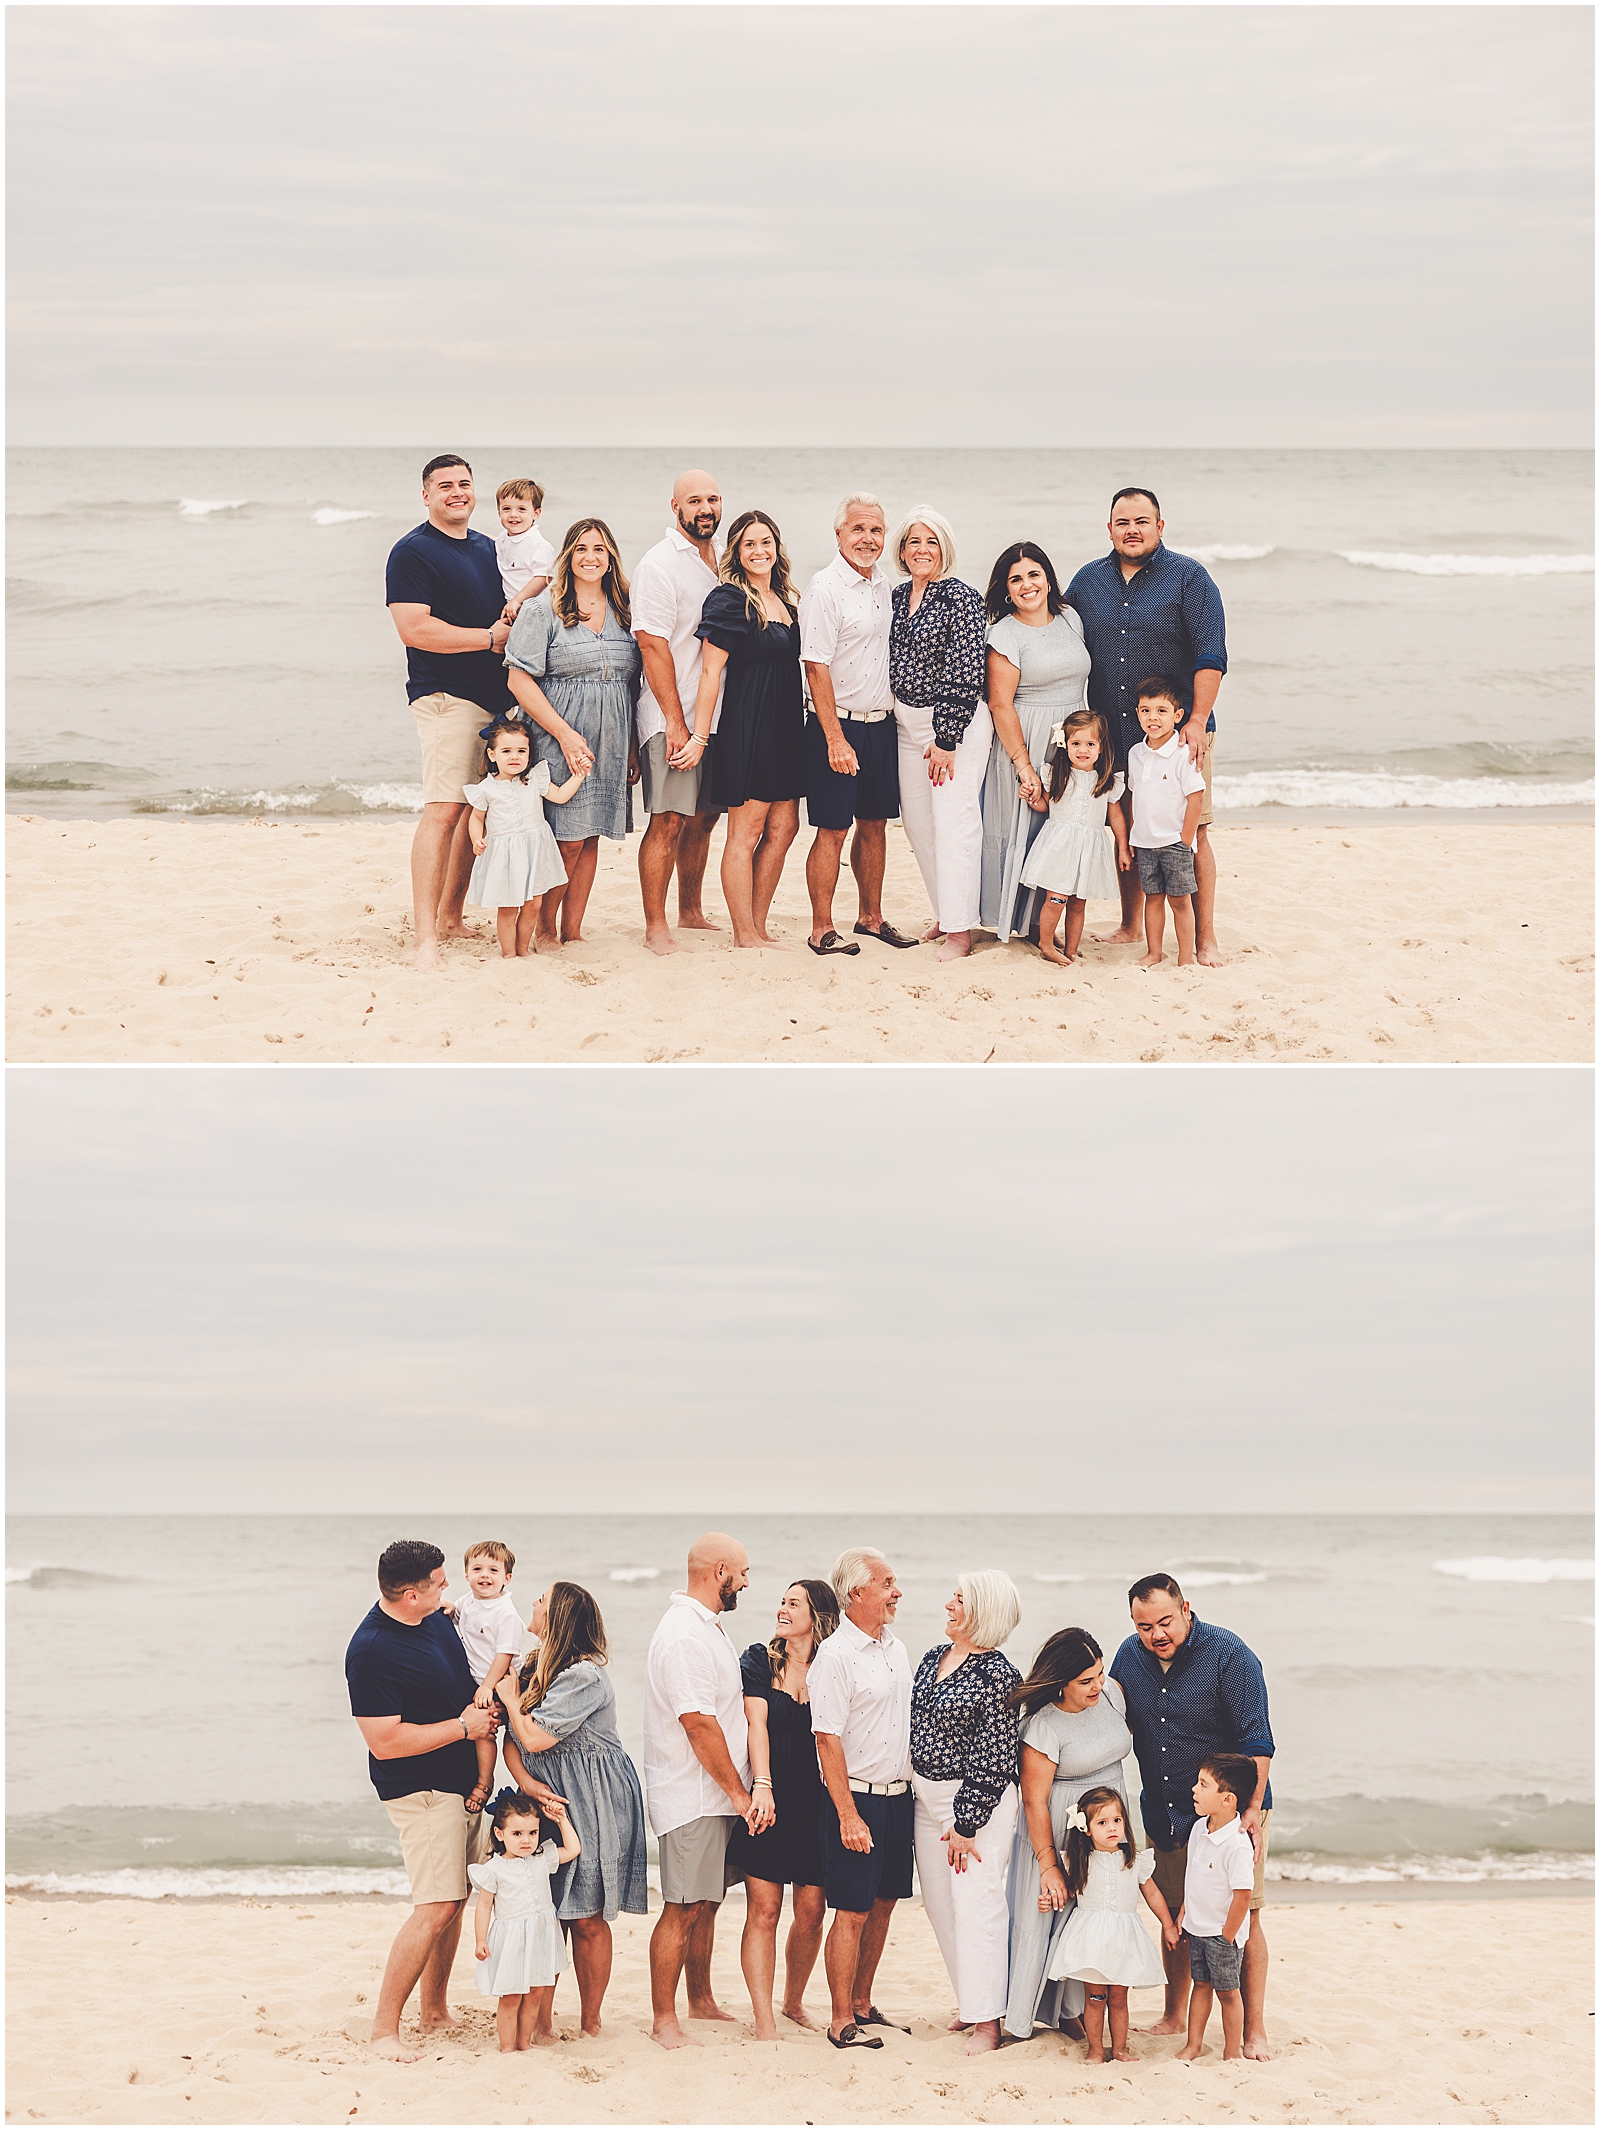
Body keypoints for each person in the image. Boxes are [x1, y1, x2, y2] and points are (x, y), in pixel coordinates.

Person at [344, 1538, 501, 2062]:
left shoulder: (433, 1617)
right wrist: (463, 1727)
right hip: (420, 1790)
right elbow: (384, 1742)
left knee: (453, 1900)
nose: (447, 1586)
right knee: (434, 1907)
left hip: (459, 1784)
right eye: (439, 1581)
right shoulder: (370, 1651)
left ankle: (433, 2011)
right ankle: (384, 2030)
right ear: (410, 1594)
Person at [1109, 1573, 1275, 2060]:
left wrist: (1247, 1812)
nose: (1155, 1634)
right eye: (1143, 1626)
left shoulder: (1228, 1654)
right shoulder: (1128, 1657)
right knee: (1178, 1916)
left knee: (1243, 1920)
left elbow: (1257, 1742)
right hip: (1165, 1815)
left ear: (1186, 1608)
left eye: (1164, 1621)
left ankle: (1254, 2029)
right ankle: (1173, 2013)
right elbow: (1107, 1714)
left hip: (1230, 1817)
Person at [1065, 488, 1228, 964]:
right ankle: (1131, 924)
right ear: (1109, 528)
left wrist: (1196, 721)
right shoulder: (1089, 581)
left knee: (1191, 832)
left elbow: (1211, 653)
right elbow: (1058, 630)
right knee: (1133, 829)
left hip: (1179, 736)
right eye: (1122, 521)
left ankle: (1205, 938)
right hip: (1114, 736)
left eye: (1141, 520)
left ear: (1160, 526)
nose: (1131, 529)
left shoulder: (1189, 578)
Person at [496, 1580, 649, 2039]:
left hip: (595, 1796)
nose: (533, 1602)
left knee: (585, 1914)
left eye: (541, 1599)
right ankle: (541, 2020)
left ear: (558, 1616)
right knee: (545, 1907)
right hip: (550, 1796)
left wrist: (508, 1699)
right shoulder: (534, 1666)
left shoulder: (584, 1675)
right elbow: (513, 1743)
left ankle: (590, 2021)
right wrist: (530, 1788)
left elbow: (537, 1737)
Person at [384, 455, 514, 969]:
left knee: (468, 811)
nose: (457, 492)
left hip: (495, 699)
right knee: (442, 811)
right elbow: (414, 629)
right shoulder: (412, 552)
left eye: (464, 484)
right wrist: (488, 639)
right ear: (426, 495)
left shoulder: (487, 548)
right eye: (445, 486)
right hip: (445, 696)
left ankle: (451, 918)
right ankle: (425, 940)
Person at [642, 1533, 761, 2050]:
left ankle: (701, 1999)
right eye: (743, 1572)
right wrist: (739, 1794)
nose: (747, 1582)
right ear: (719, 1572)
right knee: (684, 1905)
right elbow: (697, 1724)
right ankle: (664, 2019)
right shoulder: (684, 1636)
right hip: (693, 1796)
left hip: (715, 1794)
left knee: (707, 1902)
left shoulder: (707, 1628)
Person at [503, 519, 639, 948]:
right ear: (567, 556)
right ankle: (544, 928)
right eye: (581, 548)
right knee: (564, 841)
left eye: (599, 549)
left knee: (590, 836)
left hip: (612, 740)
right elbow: (519, 680)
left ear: (611, 556)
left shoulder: (625, 609)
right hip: (559, 737)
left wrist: (632, 745)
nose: (590, 557)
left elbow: (633, 684)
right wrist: (563, 735)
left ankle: (573, 930)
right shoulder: (543, 609)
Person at [909, 1571, 1023, 2056]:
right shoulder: (933, 1657)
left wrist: (966, 1823)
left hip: (977, 1808)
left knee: (977, 1907)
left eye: (959, 1599)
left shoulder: (999, 1675)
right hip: (925, 1800)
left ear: (983, 1611)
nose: (948, 1605)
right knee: (940, 1906)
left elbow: (995, 1755)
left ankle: (989, 2022)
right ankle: (972, 2001)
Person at [799, 495, 918, 957]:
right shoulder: (825, 588)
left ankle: (871, 917)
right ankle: (821, 928)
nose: (868, 539)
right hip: (837, 727)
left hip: (882, 726)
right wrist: (834, 738)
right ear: (839, 534)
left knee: (875, 825)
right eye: (858, 530)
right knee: (832, 828)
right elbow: (815, 667)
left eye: (876, 531)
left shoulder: (885, 585)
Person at [1002, 1626, 1134, 2042]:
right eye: (1085, 1681)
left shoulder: (1111, 1693)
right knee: (1050, 1917)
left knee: (1095, 1916)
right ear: (1060, 1683)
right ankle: (1025, 2016)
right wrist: (1049, 1864)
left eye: (1098, 1673)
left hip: (1108, 1821)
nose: (1097, 1685)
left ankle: (1074, 2011)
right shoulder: (1044, 1726)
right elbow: (1034, 1801)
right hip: (1059, 1829)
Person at [807, 1547, 915, 2049]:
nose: (897, 1592)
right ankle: (837, 2020)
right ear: (857, 1593)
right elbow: (826, 1740)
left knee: (884, 1902)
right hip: (856, 1800)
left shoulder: (897, 1648)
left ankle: (862, 2004)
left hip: (899, 1798)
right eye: (888, 1583)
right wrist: (847, 1814)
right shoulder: (834, 1656)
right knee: (850, 1910)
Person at [726, 1578, 840, 2038]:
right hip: (770, 1796)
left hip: (818, 1803)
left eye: (794, 1604)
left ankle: (793, 2002)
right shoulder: (759, 1659)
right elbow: (755, 1723)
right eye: (782, 1601)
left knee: (812, 1910)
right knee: (765, 1910)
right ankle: (764, 2017)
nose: (783, 1609)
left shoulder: (833, 1665)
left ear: (817, 1616)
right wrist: (762, 1785)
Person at [687, 510, 805, 950]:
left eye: (766, 542)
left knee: (785, 828)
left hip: (787, 725)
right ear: (736, 551)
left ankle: (758, 924)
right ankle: (743, 933)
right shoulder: (728, 599)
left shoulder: (786, 600)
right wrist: (700, 736)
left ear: (777, 547)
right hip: (749, 725)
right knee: (745, 831)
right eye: (749, 544)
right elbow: (710, 674)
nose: (759, 551)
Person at [887, 510, 991, 962]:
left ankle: (960, 931)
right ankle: (946, 911)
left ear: (944, 547)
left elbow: (966, 668)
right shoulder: (894, 597)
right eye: (913, 541)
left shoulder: (962, 598)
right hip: (904, 723)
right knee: (918, 825)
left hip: (951, 725)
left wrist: (947, 737)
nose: (921, 549)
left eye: (931, 541)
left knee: (954, 822)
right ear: (902, 550)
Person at [978, 542, 1093, 947]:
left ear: (1047, 577)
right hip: (1025, 737)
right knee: (1021, 827)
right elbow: (1000, 704)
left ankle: (1041, 926)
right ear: (1006, 589)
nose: (1027, 585)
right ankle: (1011, 919)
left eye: (1034, 574)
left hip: (1070, 740)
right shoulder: (1004, 634)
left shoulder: (1070, 618)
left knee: (1058, 829)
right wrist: (1024, 765)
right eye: (1016, 579)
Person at [630, 472, 726, 956]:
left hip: (716, 718)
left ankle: (690, 910)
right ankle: (655, 926)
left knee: (705, 817)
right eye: (694, 500)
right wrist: (675, 722)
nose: (704, 508)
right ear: (675, 506)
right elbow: (651, 643)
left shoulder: (723, 559)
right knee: (667, 820)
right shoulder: (660, 564)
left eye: (711, 499)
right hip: (674, 717)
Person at [1042, 1785, 1178, 2064]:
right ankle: (1094, 2049)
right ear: (1087, 1829)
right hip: (1090, 1940)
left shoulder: (1134, 1860)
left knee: (1118, 1999)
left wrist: (1167, 1924)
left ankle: (1119, 2050)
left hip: (1123, 1939)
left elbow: (1151, 1893)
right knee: (1094, 1998)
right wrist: (1048, 1901)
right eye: (1102, 1823)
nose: (1112, 1828)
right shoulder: (1078, 1861)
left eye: (1117, 1820)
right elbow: (1067, 1893)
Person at [462, 714, 587, 959]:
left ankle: (523, 950)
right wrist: (476, 838)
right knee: (508, 907)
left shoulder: (533, 780)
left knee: (533, 905)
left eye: (521, 750)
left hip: (534, 850)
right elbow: (476, 818)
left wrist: (579, 775)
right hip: (505, 854)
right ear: (492, 755)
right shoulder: (486, 788)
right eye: (506, 751)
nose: (515, 756)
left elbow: (560, 796)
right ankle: (509, 954)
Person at [469, 1787, 582, 2052]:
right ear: (500, 1834)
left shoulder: (542, 1857)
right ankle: (507, 2047)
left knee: (535, 1994)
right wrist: (480, 1940)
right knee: (511, 1996)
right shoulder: (494, 1869)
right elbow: (484, 1906)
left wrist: (561, 1819)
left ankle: (524, 2043)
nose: (526, 1840)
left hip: (540, 1937)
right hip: (511, 1941)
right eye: (517, 1834)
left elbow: (573, 1849)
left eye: (532, 1833)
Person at [1018, 708, 1129, 968]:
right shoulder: (1057, 774)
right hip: (1060, 847)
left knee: (1078, 904)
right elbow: (1045, 805)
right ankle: (1046, 944)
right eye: (1076, 743)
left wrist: (1123, 847)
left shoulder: (1107, 781)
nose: (1083, 750)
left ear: (1101, 748)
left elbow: (1116, 817)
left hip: (1089, 849)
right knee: (1056, 899)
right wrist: (1030, 796)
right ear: (1065, 745)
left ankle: (1071, 949)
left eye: (1090, 744)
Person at [1174, 1756, 1260, 2064]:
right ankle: (1193, 2045)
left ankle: (1230, 2052)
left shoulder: (1237, 1845)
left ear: (1227, 1799)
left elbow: (1242, 1895)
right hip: (1197, 1928)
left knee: (1227, 1993)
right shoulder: (1199, 1828)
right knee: (1201, 1985)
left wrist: (1227, 1936)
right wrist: (1185, 1913)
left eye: (1203, 1785)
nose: (1194, 1790)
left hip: (1223, 1935)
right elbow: (1193, 1877)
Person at [438, 1539, 527, 1811]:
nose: (484, 1575)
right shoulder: (468, 1601)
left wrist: (489, 1687)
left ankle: (485, 1782)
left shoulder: (505, 1614)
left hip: (499, 1681)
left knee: (485, 1732)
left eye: (493, 1570)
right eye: (477, 1569)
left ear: (506, 1579)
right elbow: (462, 1621)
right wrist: (451, 1609)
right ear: (466, 1575)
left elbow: (505, 1654)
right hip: (476, 1681)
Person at [1125, 677, 1206, 969]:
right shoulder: (1136, 753)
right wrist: (1136, 835)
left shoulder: (1183, 753)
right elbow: (1137, 796)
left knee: (1180, 901)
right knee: (1153, 898)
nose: (1153, 718)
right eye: (1145, 711)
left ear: (1177, 715)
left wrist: (1185, 840)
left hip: (1174, 842)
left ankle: (1185, 958)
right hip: (1145, 843)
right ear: (1137, 714)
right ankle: (1154, 953)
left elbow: (1195, 798)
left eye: (1161, 711)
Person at [495, 479, 557, 623]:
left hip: (537, 609)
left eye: (521, 509)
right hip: (514, 608)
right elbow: (491, 541)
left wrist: (517, 600)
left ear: (536, 513)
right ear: (499, 512)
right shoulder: (503, 538)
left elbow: (543, 578)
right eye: (506, 509)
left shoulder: (537, 544)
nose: (513, 514)